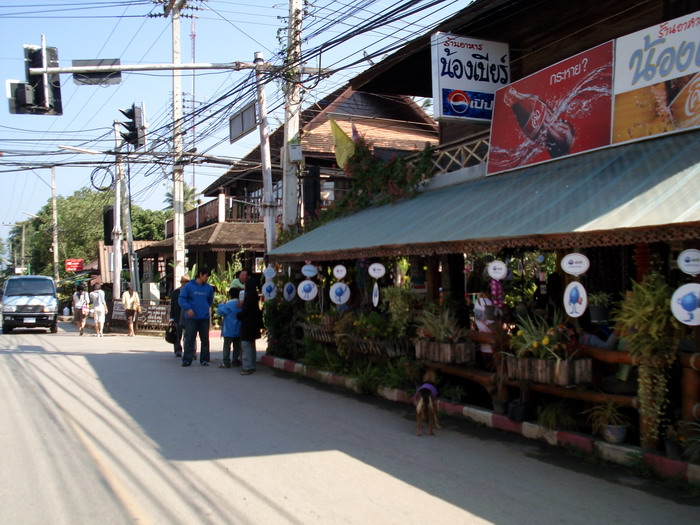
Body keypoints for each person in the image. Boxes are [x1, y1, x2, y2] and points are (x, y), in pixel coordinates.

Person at [178, 266, 214, 367]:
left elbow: (210, 300)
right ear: (200, 275)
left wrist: (205, 307)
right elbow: (181, 299)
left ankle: (204, 359)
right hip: (191, 318)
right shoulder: (188, 286)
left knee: (205, 340)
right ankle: (187, 359)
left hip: (204, 318)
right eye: (206, 276)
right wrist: (188, 309)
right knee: (189, 339)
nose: (207, 278)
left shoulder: (208, 288)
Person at [237, 275, 262, 375]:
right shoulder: (255, 295)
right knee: (251, 345)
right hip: (254, 324)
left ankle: (247, 367)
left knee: (245, 345)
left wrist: (239, 315)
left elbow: (246, 310)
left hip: (247, 324)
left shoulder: (248, 296)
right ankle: (252, 365)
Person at [216, 287, 243, 368]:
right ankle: (235, 360)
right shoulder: (241, 304)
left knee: (227, 347)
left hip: (228, 329)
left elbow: (220, 312)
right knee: (236, 346)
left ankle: (226, 362)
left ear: (230, 295)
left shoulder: (228, 304)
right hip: (238, 329)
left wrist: (221, 304)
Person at [169, 275, 190, 357]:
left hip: (188, 316)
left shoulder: (191, 292)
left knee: (188, 335)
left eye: (187, 282)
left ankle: (189, 350)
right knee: (177, 335)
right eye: (183, 282)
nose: (184, 284)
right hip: (177, 316)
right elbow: (172, 305)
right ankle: (178, 350)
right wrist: (171, 318)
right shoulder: (176, 292)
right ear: (181, 282)